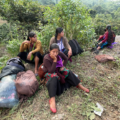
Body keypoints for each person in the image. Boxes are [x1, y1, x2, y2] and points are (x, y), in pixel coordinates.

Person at [42, 43, 89, 113]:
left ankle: (78, 85)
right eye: (53, 52)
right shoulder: (46, 58)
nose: (55, 54)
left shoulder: (59, 54)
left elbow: (66, 59)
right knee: (53, 76)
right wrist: (54, 60)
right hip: (50, 74)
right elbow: (51, 71)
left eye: (57, 52)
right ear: (49, 51)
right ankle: (52, 99)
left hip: (58, 71)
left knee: (67, 71)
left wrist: (62, 66)